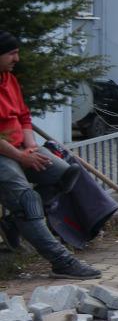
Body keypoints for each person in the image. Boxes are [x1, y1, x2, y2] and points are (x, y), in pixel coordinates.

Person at [0, 32, 100, 277]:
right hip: (4, 155)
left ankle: (14, 223)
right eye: (12, 53)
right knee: (27, 201)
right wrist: (22, 156)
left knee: (66, 173)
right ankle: (61, 261)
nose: (17, 58)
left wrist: (31, 146)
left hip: (21, 149)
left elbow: (24, 117)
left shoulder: (9, 79)